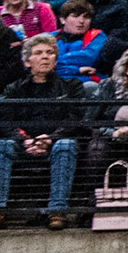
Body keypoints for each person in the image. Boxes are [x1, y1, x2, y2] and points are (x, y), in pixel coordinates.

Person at [0, 35, 86, 228]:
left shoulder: (72, 87)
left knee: (66, 144)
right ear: (27, 61)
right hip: (23, 145)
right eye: (38, 53)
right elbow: (4, 120)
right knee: (2, 145)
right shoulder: (14, 89)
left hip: (55, 143)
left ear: (56, 59)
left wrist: (50, 138)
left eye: (50, 53)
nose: (45, 57)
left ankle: (57, 211)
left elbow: (76, 120)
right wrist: (24, 140)